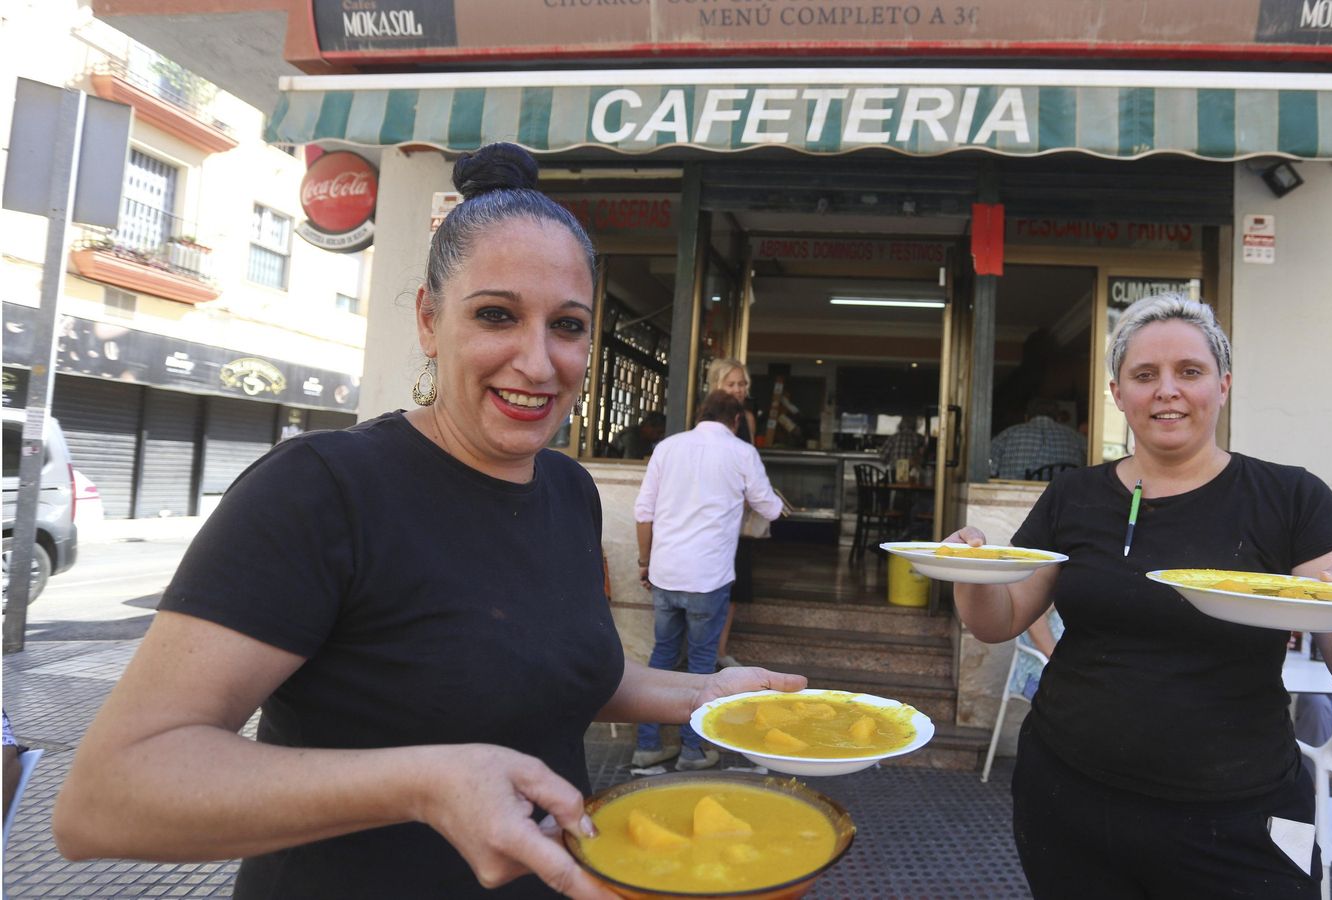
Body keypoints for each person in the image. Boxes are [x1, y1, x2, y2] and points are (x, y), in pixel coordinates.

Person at [51, 143, 804, 900]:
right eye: (496, 315)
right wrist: (422, 784)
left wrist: (708, 697)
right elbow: (106, 799)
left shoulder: (570, 491)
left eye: (568, 326)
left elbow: (559, 671)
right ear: (427, 319)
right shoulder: (322, 490)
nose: (538, 363)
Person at [945, 292, 1332, 898]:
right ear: (1118, 394)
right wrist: (969, 570)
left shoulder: (1289, 497)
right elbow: (1002, 618)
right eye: (1145, 375)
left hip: (1237, 814)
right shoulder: (1074, 496)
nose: (1166, 389)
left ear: (1222, 385)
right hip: (1066, 796)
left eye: (1189, 372)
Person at [633, 390, 784, 770]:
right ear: (734, 421)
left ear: (701, 414)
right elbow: (770, 507)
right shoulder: (741, 452)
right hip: (708, 579)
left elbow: (643, 511)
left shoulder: (667, 447)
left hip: (665, 573)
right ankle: (692, 751)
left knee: (661, 660)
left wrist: (645, 561)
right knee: (701, 666)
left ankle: (647, 746)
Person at [705, 358, 760, 666]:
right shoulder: (705, 422)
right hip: (714, 514)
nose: (738, 390)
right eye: (731, 384)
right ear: (716, 386)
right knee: (712, 584)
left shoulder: (747, 420)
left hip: (741, 514)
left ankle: (720, 651)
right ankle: (706, 651)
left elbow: (753, 463)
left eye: (742, 384)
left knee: (736, 585)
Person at [989, 396, 1087, 480]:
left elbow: (988, 470)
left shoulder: (1008, 435)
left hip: (1015, 497)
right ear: (1058, 418)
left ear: (1026, 417)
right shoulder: (1076, 438)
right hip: (1063, 499)